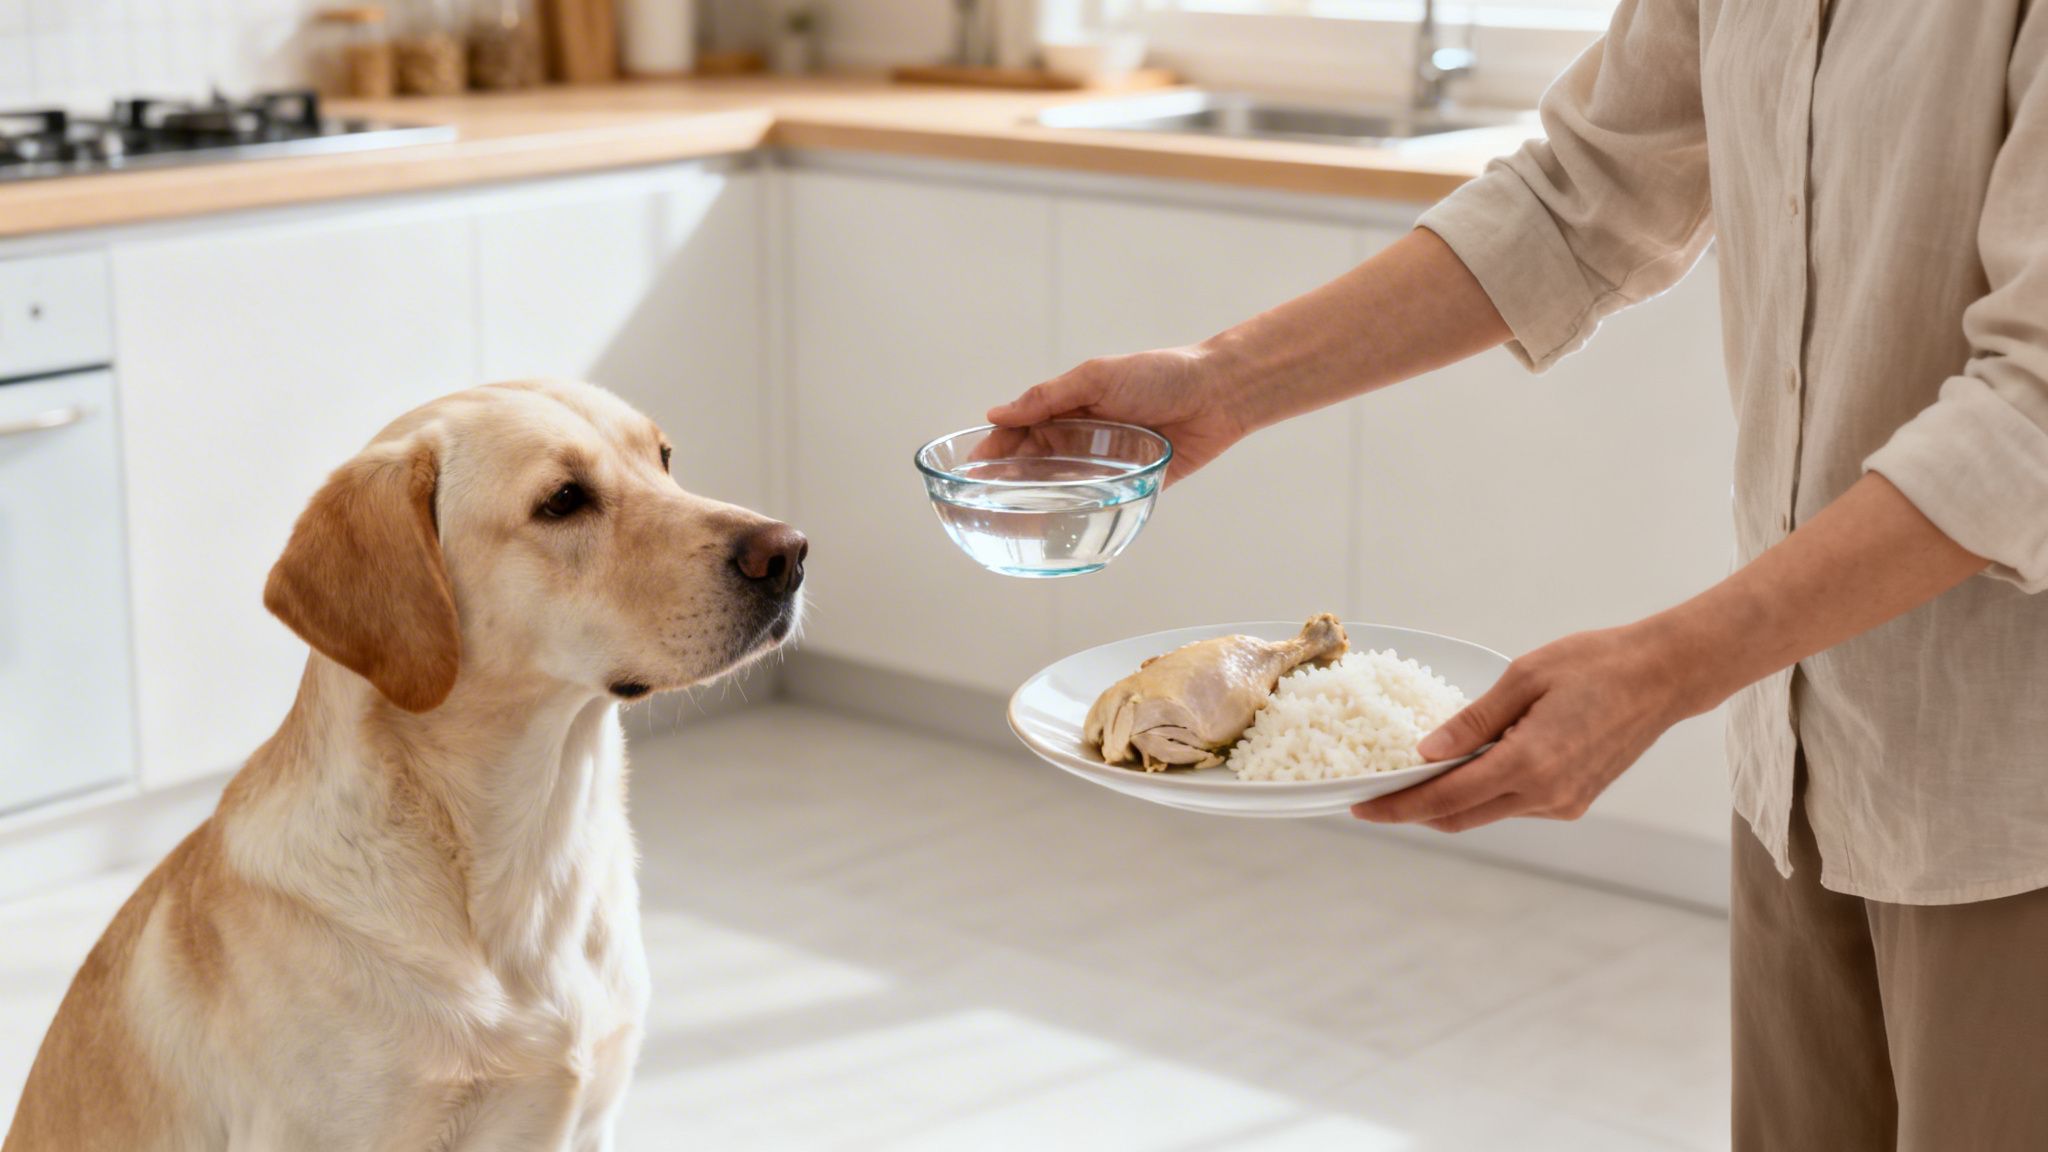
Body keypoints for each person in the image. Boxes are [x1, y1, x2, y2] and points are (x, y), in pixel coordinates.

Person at [988, 2, 2048, 1147]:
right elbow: (1576, 198)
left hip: (2007, 789)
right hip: (1800, 748)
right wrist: (1222, 382)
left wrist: (1666, 666)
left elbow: (2031, 410)